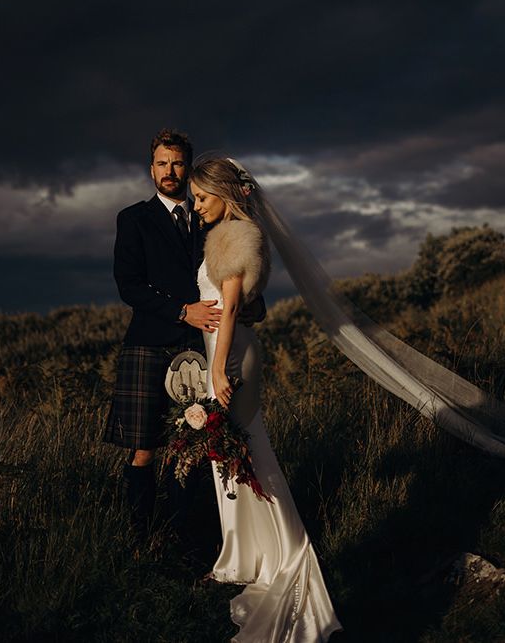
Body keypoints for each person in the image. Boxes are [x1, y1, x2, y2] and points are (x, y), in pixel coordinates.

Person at [189, 157, 343, 642]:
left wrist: (217, 369)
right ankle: (247, 554)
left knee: (250, 453)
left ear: (225, 194)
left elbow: (231, 304)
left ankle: (284, 551)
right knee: (233, 457)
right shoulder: (229, 232)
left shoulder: (235, 234)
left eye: (202, 197)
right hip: (225, 349)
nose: (196, 207)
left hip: (231, 355)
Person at [104, 128, 239, 541]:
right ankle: (142, 540)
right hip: (148, 343)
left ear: (188, 166)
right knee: (144, 447)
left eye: (177, 162)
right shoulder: (134, 219)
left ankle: (182, 537)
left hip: (197, 348)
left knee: (191, 446)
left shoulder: (208, 215)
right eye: (162, 163)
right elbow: (129, 285)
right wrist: (183, 311)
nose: (170, 170)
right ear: (151, 169)